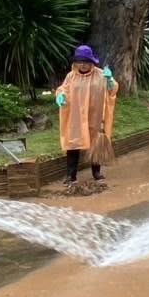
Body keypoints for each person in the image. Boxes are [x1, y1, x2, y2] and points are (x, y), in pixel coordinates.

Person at [54, 45, 118, 189]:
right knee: (73, 144)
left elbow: (112, 90)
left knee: (96, 143)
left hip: (95, 116)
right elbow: (63, 89)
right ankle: (71, 175)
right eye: (79, 61)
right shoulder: (71, 76)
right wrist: (61, 96)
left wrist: (109, 80)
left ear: (91, 62)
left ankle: (96, 172)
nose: (82, 64)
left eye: (86, 61)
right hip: (76, 116)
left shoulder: (101, 74)